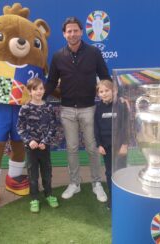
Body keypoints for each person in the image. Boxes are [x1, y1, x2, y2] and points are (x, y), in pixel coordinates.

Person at [44, 17, 111, 202]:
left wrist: (113, 98)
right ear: (64, 34)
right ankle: (75, 183)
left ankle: (97, 183)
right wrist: (39, 98)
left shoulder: (94, 53)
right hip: (66, 110)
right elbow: (50, 82)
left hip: (89, 108)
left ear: (81, 32)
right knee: (72, 148)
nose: (72, 34)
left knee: (92, 147)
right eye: (69, 31)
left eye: (75, 30)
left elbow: (105, 77)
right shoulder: (58, 56)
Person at [17, 77, 59, 213]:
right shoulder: (25, 108)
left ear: (44, 90)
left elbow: (53, 127)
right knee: (32, 175)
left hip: (44, 148)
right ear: (30, 91)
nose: (38, 91)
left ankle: (49, 194)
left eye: (41, 88)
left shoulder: (49, 107)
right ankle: (34, 198)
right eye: (35, 89)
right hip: (31, 149)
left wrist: (45, 141)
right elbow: (20, 128)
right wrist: (30, 141)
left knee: (47, 174)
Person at [94, 80, 129, 209]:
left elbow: (126, 125)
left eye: (107, 91)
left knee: (121, 171)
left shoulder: (121, 105)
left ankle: (123, 197)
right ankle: (112, 197)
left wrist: (125, 144)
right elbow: (96, 127)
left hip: (120, 147)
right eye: (101, 91)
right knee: (109, 173)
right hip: (106, 147)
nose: (104, 94)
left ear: (114, 91)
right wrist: (99, 145)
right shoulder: (98, 108)